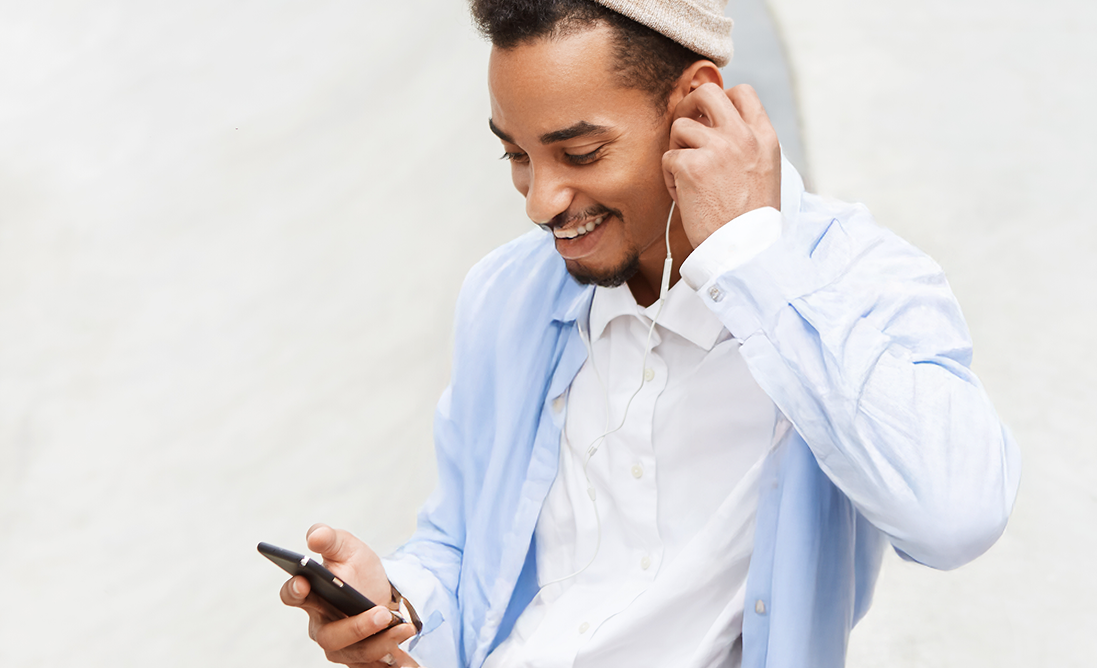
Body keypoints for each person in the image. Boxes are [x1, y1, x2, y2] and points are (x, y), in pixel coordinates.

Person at [277, 0, 1021, 666]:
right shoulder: (506, 295)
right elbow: (462, 544)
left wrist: (752, 260)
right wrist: (397, 607)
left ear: (697, 104)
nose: (540, 201)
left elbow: (957, 518)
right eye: (516, 155)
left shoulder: (854, 279)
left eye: (580, 153)